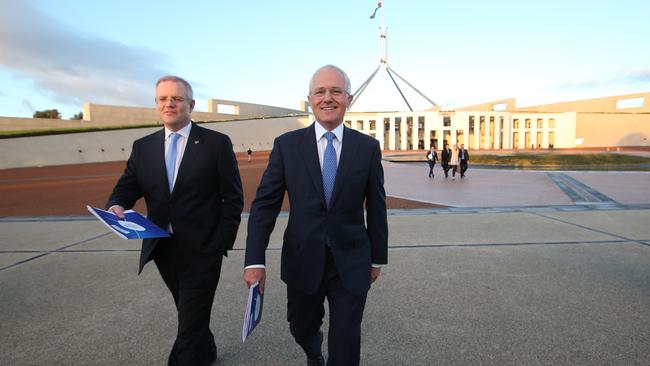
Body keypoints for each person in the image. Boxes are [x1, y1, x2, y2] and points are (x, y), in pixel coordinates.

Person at [243, 65, 388, 366]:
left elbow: (376, 205)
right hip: (302, 259)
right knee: (301, 326)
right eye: (320, 91)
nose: (328, 98)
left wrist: (377, 258)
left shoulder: (367, 147)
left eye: (336, 91)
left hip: (351, 260)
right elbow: (264, 206)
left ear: (349, 99)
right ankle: (312, 349)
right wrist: (255, 260)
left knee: (346, 339)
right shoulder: (287, 146)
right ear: (309, 99)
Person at [106, 75, 244, 366]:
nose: (170, 104)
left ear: (190, 104)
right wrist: (117, 204)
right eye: (163, 99)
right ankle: (206, 352)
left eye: (177, 99)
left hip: (203, 249)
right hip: (163, 249)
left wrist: (221, 241)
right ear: (157, 104)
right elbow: (127, 185)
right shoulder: (143, 147)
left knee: (190, 319)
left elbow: (232, 198)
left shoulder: (216, 143)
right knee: (189, 311)